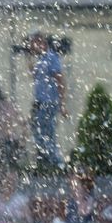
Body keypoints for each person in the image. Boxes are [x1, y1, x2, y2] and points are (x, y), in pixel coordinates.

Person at [28, 32, 67, 169]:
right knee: (38, 131)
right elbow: (34, 74)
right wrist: (30, 56)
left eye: (34, 43)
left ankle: (56, 163)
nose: (32, 46)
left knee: (47, 132)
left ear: (41, 42)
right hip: (40, 102)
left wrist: (62, 104)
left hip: (49, 102)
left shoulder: (51, 58)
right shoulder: (41, 60)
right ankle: (46, 160)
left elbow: (60, 80)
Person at [0, 88, 26, 168]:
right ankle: (11, 174)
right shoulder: (12, 108)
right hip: (13, 140)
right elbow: (23, 124)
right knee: (12, 165)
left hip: (3, 140)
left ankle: (4, 173)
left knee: (2, 165)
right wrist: (23, 139)